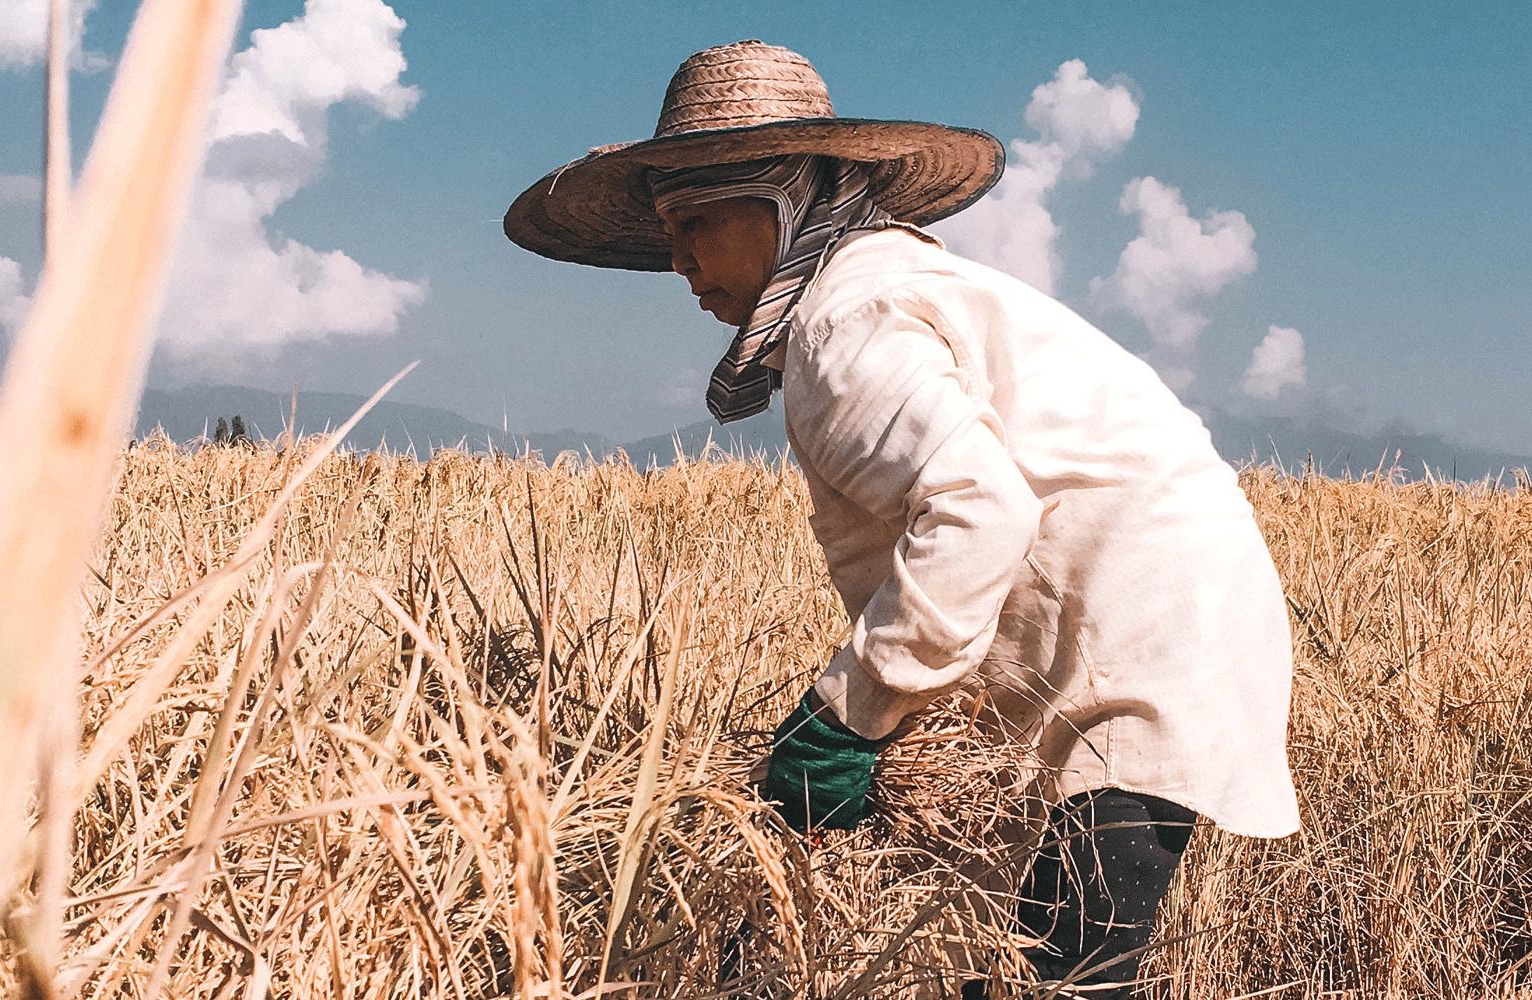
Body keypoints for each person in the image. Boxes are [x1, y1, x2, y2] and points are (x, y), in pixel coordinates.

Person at [505, 40, 1299, 998]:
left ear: (783, 206)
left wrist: (853, 710)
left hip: (1140, 643)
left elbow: (977, 506)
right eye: (671, 229)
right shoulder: (882, 289)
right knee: (1001, 964)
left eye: (700, 223)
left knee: (1064, 977)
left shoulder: (845, 325)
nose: (679, 260)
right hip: (1157, 622)